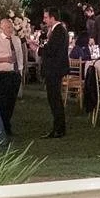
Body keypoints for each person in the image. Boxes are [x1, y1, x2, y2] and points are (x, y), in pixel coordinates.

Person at [0, 18, 25, 137]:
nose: (10, 29)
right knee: (3, 101)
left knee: (11, 101)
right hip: (2, 73)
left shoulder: (16, 40)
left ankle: (6, 122)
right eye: (8, 27)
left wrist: (20, 71)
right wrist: (4, 59)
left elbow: (19, 55)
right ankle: (3, 126)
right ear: (2, 28)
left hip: (14, 74)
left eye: (11, 27)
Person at [38, 8, 70, 139]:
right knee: (54, 99)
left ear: (52, 18)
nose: (44, 20)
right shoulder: (55, 31)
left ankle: (59, 129)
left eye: (46, 17)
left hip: (54, 70)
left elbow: (52, 50)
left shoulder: (59, 31)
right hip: (54, 69)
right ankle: (58, 127)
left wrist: (38, 49)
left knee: (55, 99)